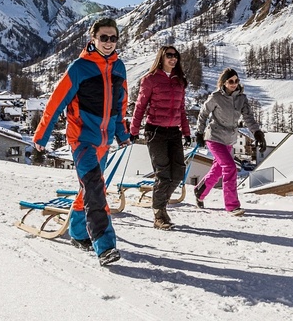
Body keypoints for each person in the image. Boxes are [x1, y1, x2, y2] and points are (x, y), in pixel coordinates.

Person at [32, 17, 130, 266]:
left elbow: (120, 105)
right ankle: (105, 246)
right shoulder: (79, 67)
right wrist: (42, 134)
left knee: (89, 188)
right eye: (103, 37)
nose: (108, 42)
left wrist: (122, 133)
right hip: (82, 139)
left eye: (113, 38)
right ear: (93, 39)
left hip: (104, 141)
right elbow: (56, 102)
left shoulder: (119, 68)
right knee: (95, 189)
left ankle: (77, 232)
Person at [129, 46, 192, 230]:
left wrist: (186, 132)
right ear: (161, 57)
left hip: (174, 132)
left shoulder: (179, 81)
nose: (173, 58)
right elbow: (140, 106)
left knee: (178, 173)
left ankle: (161, 205)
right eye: (169, 55)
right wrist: (134, 130)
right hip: (155, 131)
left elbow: (181, 109)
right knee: (163, 174)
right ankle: (159, 214)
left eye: (175, 55)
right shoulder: (150, 79)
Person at [193, 68, 266, 216]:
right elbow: (203, 113)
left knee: (218, 169)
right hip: (214, 137)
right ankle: (232, 206)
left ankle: (200, 191)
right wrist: (199, 132)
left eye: (236, 81)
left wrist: (257, 133)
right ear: (224, 82)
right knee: (230, 167)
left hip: (229, 140)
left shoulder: (241, 98)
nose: (234, 84)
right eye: (231, 81)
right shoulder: (216, 97)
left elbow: (248, 118)